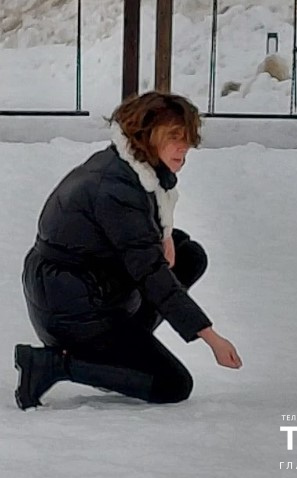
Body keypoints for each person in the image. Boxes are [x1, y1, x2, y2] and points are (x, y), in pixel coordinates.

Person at [14, 91, 242, 410]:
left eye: (187, 137)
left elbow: (144, 242)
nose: (185, 146)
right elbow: (151, 272)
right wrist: (210, 337)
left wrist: (165, 237)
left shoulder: (131, 168)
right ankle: (56, 364)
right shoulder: (116, 188)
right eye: (174, 137)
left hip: (85, 287)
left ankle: (122, 356)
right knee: (172, 384)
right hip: (71, 310)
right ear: (147, 136)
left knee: (188, 254)